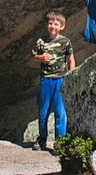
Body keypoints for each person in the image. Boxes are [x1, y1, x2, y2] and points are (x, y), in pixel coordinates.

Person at [31, 9, 75, 150]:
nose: (53, 26)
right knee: (43, 110)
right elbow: (34, 56)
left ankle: (60, 141)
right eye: (50, 23)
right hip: (46, 79)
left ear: (62, 26)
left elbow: (71, 59)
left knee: (60, 111)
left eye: (56, 24)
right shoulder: (41, 42)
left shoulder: (65, 42)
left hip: (60, 79)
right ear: (46, 25)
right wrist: (41, 57)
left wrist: (71, 75)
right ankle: (42, 137)